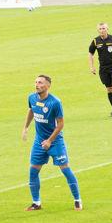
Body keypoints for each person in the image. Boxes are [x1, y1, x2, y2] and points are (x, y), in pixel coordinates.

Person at [21, 74, 82, 211]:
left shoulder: (55, 102)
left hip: (55, 141)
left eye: (40, 83)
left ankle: (77, 200)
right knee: (33, 171)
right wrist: (26, 127)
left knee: (65, 170)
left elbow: (60, 124)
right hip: (39, 141)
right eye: (36, 82)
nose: (37, 85)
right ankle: (36, 203)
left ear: (48, 86)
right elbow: (31, 110)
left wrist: (49, 141)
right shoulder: (32, 98)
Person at [88, 22, 112, 117]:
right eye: (100, 29)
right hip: (103, 68)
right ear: (98, 30)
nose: (102, 30)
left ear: (107, 29)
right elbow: (90, 53)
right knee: (109, 88)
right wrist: (91, 66)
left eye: (104, 28)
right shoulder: (95, 41)